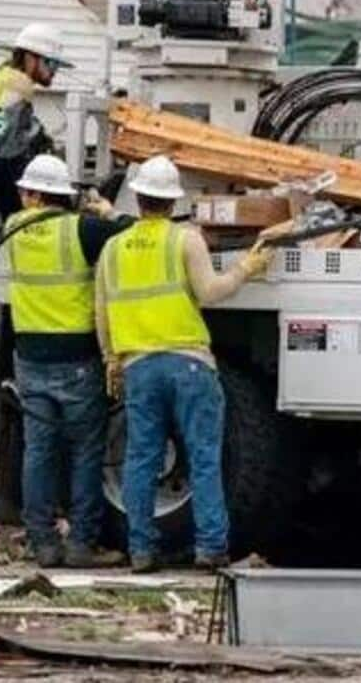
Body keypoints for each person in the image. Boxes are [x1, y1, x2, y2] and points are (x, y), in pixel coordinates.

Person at [93, 156, 273, 573]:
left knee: (140, 459)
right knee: (204, 457)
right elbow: (210, 292)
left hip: (138, 366)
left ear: (137, 197)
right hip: (189, 364)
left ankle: (141, 551)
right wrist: (247, 267)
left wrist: (110, 360)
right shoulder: (185, 239)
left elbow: (101, 312)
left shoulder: (112, 249)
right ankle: (210, 549)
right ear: (172, 203)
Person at [5, 154, 133, 569]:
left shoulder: (12, 229)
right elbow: (128, 235)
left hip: (30, 358)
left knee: (39, 452)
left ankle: (42, 543)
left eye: (26, 190)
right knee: (84, 453)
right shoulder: (80, 230)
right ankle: (80, 545)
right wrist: (106, 210)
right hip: (76, 358)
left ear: (37, 194)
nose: (22, 196)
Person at [0, 22, 71, 136]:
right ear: (29, 58)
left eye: (57, 65)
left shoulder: (5, 75)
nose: (54, 72)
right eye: (50, 63)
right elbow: (1, 129)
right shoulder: (19, 83)